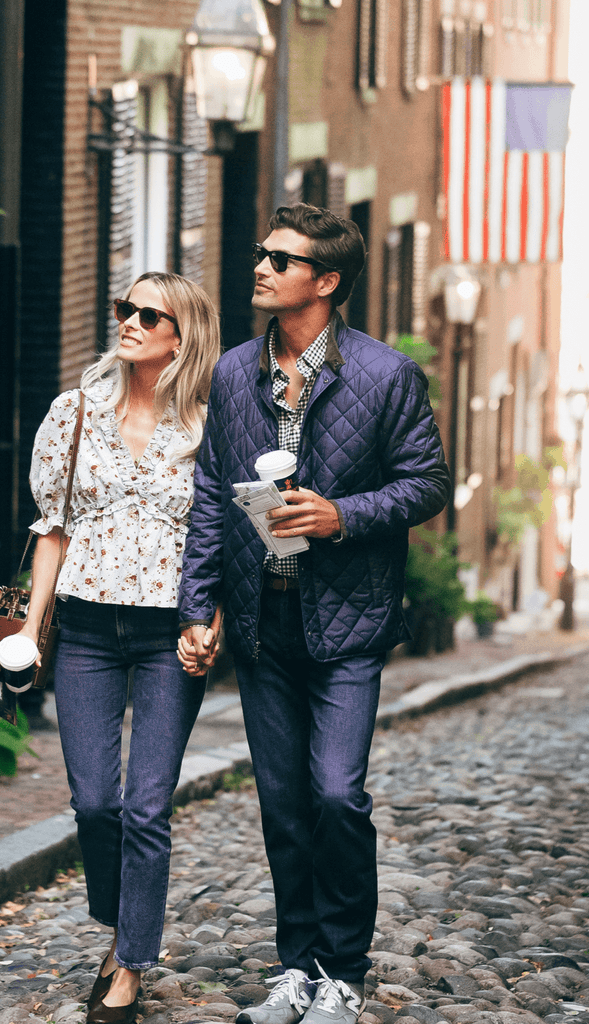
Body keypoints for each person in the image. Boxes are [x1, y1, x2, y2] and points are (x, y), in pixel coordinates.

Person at [177, 205, 451, 1024]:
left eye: (281, 260)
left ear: (326, 281)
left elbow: (427, 483)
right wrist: (199, 607)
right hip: (261, 622)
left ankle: (344, 972)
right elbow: (209, 498)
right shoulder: (234, 373)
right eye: (262, 253)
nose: (261, 268)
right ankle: (296, 968)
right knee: (284, 805)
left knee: (335, 794)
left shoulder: (386, 375)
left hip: (348, 621)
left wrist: (341, 516)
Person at [18, 271, 221, 1024]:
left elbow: (221, 538)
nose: (129, 321)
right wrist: (32, 629)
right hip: (87, 631)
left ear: (182, 335)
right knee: (95, 802)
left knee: (147, 806)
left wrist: (210, 621)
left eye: (149, 314)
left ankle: (129, 964)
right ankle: (122, 917)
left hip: (170, 633)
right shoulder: (74, 413)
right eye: (124, 308)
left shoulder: (209, 427)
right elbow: (52, 529)